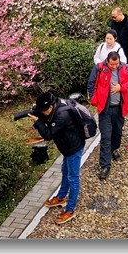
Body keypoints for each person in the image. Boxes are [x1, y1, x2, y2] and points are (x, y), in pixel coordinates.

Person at [30, 91, 84, 224]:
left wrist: (37, 121)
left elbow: (48, 135)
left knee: (73, 178)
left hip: (73, 148)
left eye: (43, 110)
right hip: (67, 148)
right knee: (65, 171)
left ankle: (70, 210)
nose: (42, 113)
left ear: (50, 107)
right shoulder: (55, 106)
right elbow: (46, 118)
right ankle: (60, 198)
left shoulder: (61, 115)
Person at [87, 51, 128, 180]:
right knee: (105, 136)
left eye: (116, 64)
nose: (114, 66)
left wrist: (121, 87)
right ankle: (105, 165)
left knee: (117, 132)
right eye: (112, 64)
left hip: (120, 107)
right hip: (105, 109)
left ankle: (114, 149)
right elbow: (91, 84)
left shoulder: (125, 67)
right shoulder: (99, 68)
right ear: (107, 61)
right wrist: (94, 99)